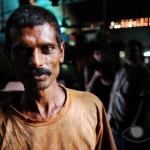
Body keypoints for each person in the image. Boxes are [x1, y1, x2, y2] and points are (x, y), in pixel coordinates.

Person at [0, 5, 116, 149]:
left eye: (47, 48)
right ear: (9, 56)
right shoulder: (1, 123)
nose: (36, 62)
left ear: (61, 52)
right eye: (23, 51)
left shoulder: (91, 106)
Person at [107, 39, 150, 150]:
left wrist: (135, 124)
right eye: (127, 49)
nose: (129, 52)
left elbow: (145, 100)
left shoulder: (142, 71)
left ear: (139, 52)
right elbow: (114, 95)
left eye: (133, 50)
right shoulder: (122, 69)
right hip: (115, 124)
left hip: (129, 125)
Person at [84, 44, 115, 111]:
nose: (100, 55)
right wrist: (95, 76)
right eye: (97, 53)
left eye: (101, 52)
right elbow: (88, 88)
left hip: (108, 98)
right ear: (93, 55)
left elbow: (113, 82)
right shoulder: (89, 68)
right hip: (95, 99)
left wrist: (105, 80)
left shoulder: (108, 65)